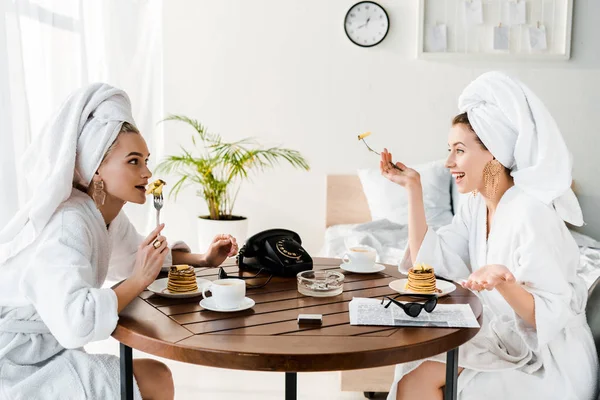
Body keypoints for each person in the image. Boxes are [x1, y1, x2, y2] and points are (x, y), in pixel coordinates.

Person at [0, 83, 238, 399]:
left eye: (146, 160)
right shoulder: (67, 224)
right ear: (98, 167)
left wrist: (204, 260)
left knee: (156, 375)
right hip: (16, 364)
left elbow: (135, 257)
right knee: (155, 378)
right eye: (134, 161)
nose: (148, 172)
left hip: (48, 350)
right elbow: (75, 322)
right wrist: (139, 279)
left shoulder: (105, 215)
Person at [380, 71, 598, 400]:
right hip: (510, 341)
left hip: (551, 361)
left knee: (420, 381)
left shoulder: (531, 213)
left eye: (459, 150)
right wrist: (413, 189)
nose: (448, 162)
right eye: (450, 150)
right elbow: (431, 262)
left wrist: (503, 283)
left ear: (493, 153)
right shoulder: (475, 205)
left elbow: (546, 317)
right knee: (413, 371)